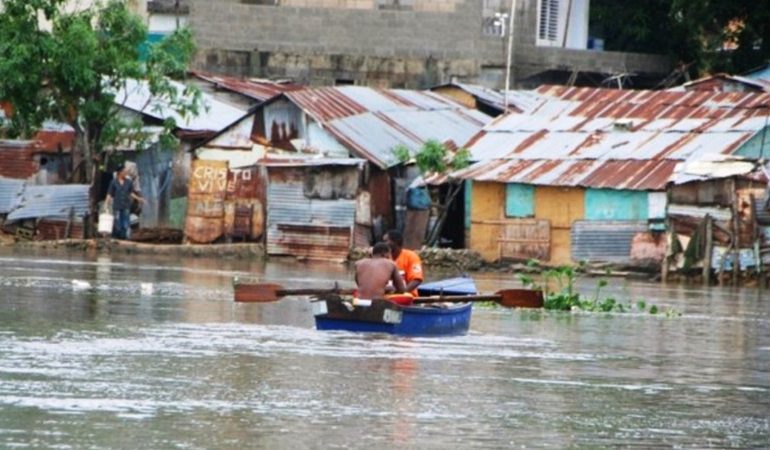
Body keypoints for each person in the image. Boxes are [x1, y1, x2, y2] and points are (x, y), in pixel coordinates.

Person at [105, 163, 144, 240]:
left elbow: (131, 193)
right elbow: (109, 194)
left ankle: (124, 238)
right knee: (117, 222)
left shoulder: (128, 182)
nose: (126, 172)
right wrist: (106, 204)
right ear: (120, 172)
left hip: (126, 205)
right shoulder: (113, 182)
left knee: (125, 223)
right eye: (124, 171)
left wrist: (139, 199)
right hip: (117, 206)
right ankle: (117, 238)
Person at [383, 229, 423, 296]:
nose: (383, 244)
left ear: (395, 242)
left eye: (386, 241)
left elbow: (417, 279)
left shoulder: (411, 256)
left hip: (407, 297)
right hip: (385, 297)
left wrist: (402, 293)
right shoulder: (383, 257)